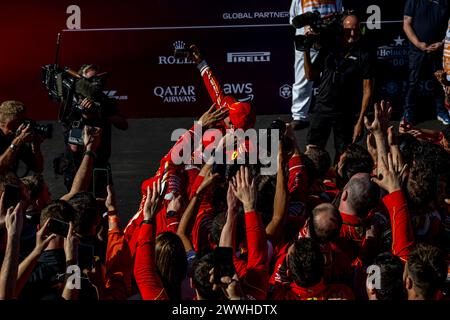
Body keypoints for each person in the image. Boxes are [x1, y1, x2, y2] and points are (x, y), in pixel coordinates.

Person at [304, 14, 374, 161]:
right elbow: (311, 76)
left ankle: (341, 182)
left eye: (356, 30)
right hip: (323, 107)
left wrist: (360, 121)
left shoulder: (365, 54)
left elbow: (367, 89)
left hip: (345, 113)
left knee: (343, 155)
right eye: (349, 30)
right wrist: (306, 50)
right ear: (342, 30)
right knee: (313, 152)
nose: (353, 34)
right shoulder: (329, 48)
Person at [59, 64, 128, 191]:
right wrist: (85, 117)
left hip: (101, 163)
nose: (95, 84)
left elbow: (123, 124)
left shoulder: (104, 100)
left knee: (104, 203)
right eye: (91, 80)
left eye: (98, 79)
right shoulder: (71, 103)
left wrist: (102, 112)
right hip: (77, 166)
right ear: (81, 81)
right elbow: (74, 146)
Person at [289, 0, 343, 130]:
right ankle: (299, 116)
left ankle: (335, 111)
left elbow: (341, 15)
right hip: (307, 41)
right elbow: (293, 19)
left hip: (329, 40)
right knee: (302, 79)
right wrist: (305, 26)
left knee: (334, 76)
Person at [402, 0, 450, 125]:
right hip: (417, 51)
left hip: (438, 50)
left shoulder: (445, 2)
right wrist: (418, 44)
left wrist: (442, 43)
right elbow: (406, 24)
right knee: (413, 83)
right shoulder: (413, 1)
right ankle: (408, 113)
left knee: (440, 83)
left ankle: (441, 111)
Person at [0, 100, 44, 175]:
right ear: (10, 124)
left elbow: (38, 168)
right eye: (21, 121)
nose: (23, 125)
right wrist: (16, 142)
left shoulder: (14, 137)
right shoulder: (16, 140)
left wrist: (36, 146)